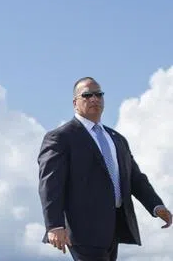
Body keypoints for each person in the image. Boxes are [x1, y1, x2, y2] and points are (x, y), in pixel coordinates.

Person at [37, 76, 172, 260]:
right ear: (75, 102)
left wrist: (156, 206)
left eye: (99, 94)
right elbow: (50, 183)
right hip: (82, 229)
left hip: (115, 226)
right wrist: (54, 225)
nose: (94, 99)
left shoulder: (116, 138)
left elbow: (135, 178)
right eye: (87, 95)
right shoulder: (61, 137)